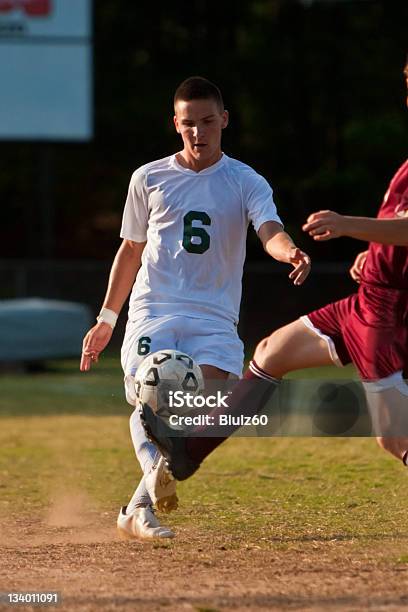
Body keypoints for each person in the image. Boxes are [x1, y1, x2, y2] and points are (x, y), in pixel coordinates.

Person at [142, 59, 408, 507]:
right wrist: (375, 255)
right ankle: (190, 452)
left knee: (394, 439)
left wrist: (347, 226)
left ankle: (189, 450)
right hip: (364, 301)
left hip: (385, 317)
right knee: (270, 352)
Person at [80, 76, 311, 540]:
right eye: (189, 124)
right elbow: (130, 250)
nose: (198, 132)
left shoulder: (246, 180)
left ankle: (135, 506)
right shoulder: (148, 177)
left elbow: (269, 229)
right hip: (155, 309)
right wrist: (107, 318)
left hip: (214, 318)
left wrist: (289, 251)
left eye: (208, 122)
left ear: (224, 120)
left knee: (202, 411)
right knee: (155, 398)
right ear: (176, 125)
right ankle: (146, 496)